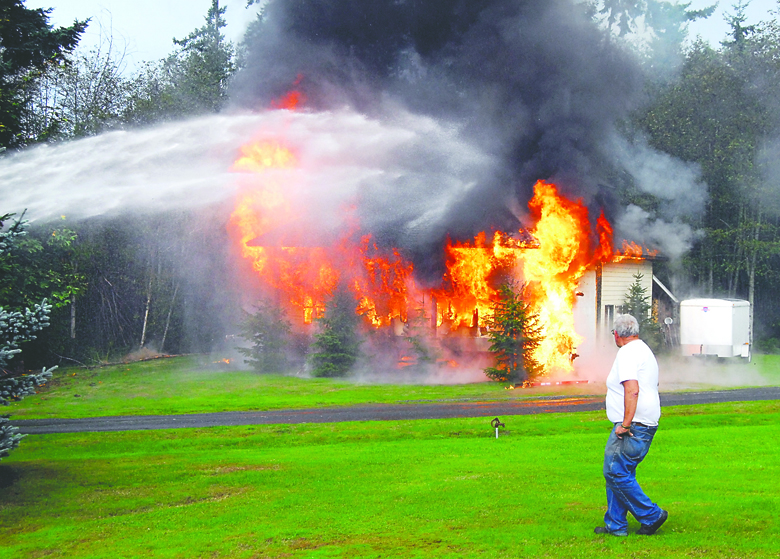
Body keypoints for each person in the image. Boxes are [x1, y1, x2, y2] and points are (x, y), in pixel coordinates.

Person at [595, 313, 668, 537]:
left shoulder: (627, 353)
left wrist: (625, 424)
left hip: (633, 424)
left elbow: (632, 389)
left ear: (617, 334)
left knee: (614, 472)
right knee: (620, 472)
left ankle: (651, 515)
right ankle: (616, 526)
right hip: (646, 421)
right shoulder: (643, 349)